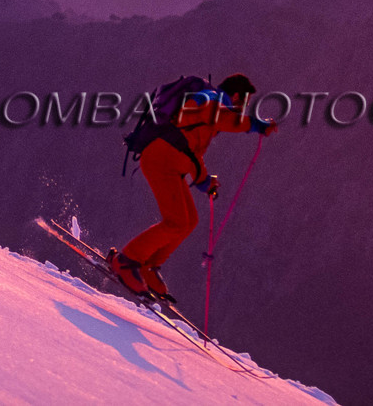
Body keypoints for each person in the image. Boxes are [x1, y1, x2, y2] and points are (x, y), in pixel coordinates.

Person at [108, 73, 277, 300]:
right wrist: (255, 124)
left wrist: (204, 180)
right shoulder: (210, 99)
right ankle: (126, 262)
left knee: (189, 221)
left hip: (170, 164)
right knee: (176, 222)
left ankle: (148, 267)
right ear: (236, 96)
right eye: (244, 103)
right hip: (161, 161)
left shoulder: (207, 114)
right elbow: (221, 119)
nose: (242, 108)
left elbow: (191, 152)